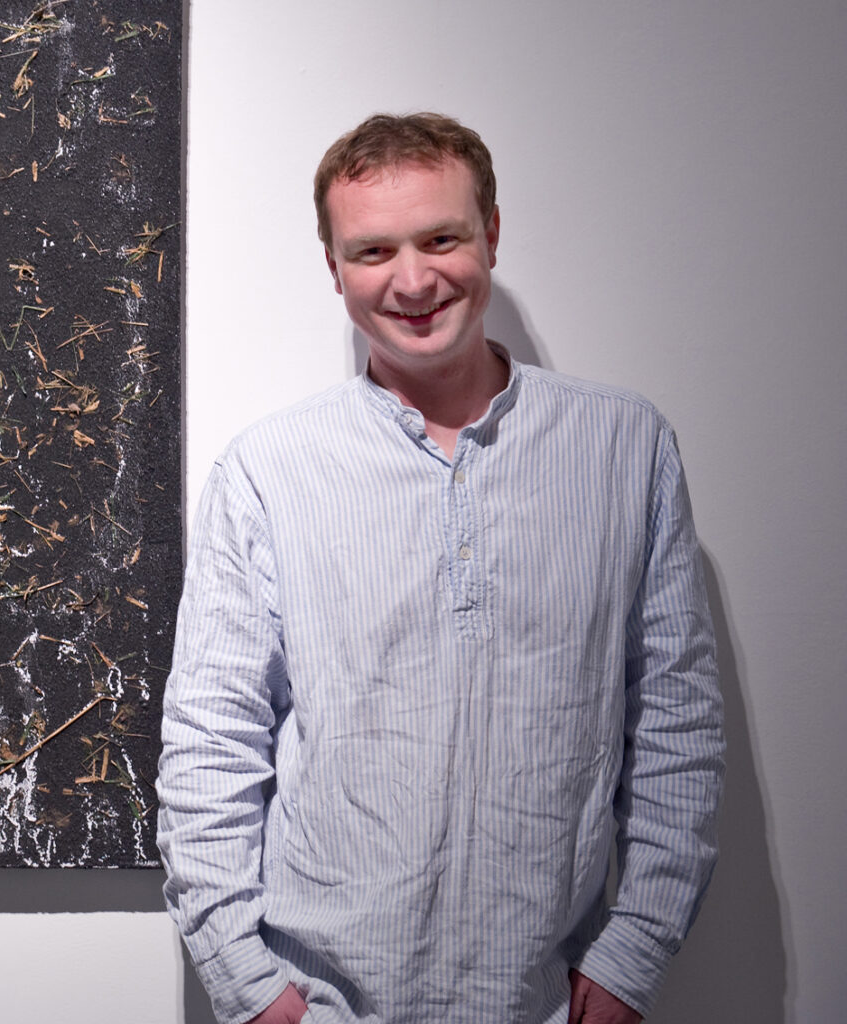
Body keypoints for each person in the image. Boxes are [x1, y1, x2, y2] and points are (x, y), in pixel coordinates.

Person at [157, 113, 724, 1024]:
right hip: (322, 1004)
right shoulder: (267, 471)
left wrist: (634, 955)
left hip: (551, 999)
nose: (412, 280)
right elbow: (208, 745)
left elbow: (676, 724)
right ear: (334, 266)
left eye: (442, 238)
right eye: (373, 249)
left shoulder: (626, 448)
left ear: (491, 234)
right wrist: (250, 988)